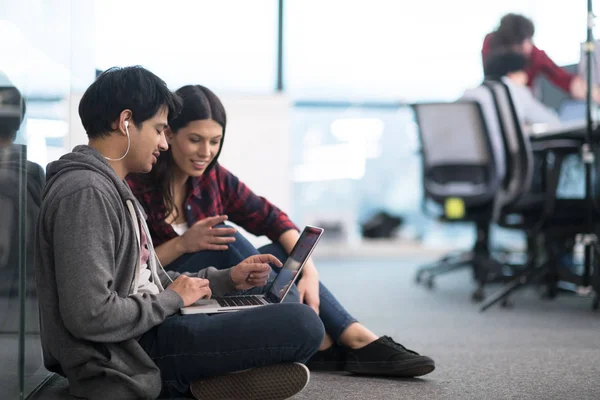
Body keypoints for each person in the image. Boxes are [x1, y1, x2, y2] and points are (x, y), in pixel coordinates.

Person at [35, 66, 326, 400]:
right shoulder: (85, 193)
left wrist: (226, 279)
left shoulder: (109, 188)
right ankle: (182, 386)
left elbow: (145, 281)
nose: (163, 142)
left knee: (280, 306)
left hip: (148, 330)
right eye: (159, 129)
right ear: (126, 122)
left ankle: (207, 380)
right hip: (130, 354)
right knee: (302, 325)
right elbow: (90, 316)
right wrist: (173, 300)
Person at [126, 84, 436, 378]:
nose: (206, 151)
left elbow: (273, 219)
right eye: (195, 139)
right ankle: (347, 339)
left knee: (277, 253)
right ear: (169, 134)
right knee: (223, 235)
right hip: (168, 287)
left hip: (216, 285)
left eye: (215, 141)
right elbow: (133, 266)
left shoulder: (213, 178)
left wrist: (309, 272)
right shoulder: (139, 181)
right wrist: (182, 244)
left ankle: (339, 339)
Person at [482, 13, 599, 102]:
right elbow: (490, 78)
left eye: (529, 40)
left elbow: (566, 81)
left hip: (525, 105)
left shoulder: (535, 54)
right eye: (521, 43)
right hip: (497, 102)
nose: (527, 47)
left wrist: (595, 94)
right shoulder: (490, 43)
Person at [484, 51, 561, 127]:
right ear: (511, 74)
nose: (526, 76)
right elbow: (548, 120)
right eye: (522, 71)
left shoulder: (486, 91)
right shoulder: (517, 90)